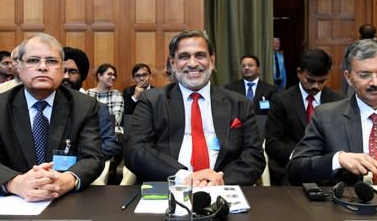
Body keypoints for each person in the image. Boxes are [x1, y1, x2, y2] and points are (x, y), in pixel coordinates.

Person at [124, 30, 265, 186]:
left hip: (223, 190)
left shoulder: (239, 103)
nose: (192, 63)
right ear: (173, 63)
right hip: (171, 189)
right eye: (184, 57)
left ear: (212, 61)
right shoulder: (152, 101)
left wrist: (220, 181)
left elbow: (254, 156)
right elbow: (136, 151)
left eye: (200, 55)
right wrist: (183, 176)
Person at [0, 33, 104, 201]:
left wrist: (65, 180)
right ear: (19, 67)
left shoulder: (84, 106)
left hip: (66, 200)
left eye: (51, 61)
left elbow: (93, 157)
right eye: (33, 60)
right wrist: (16, 183)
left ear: (61, 69)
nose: (42, 67)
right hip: (14, 201)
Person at [287, 38, 377, 185]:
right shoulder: (326, 117)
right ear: (348, 77)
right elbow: (295, 170)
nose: (375, 82)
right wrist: (339, 159)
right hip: (355, 202)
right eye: (365, 75)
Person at [265, 49, 345, 185]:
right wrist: (299, 158)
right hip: (289, 169)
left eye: (322, 81)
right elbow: (272, 142)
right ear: (299, 72)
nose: (316, 86)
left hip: (329, 171)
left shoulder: (339, 101)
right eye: (310, 80)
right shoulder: (281, 100)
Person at [62, 47, 121, 162]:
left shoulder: (97, 108)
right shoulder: (45, 104)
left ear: (82, 75)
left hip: (85, 171)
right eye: (62, 71)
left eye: (72, 72)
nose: (66, 77)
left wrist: (80, 163)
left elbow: (110, 146)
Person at [343, 23, 377, 97]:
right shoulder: (353, 50)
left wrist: (344, 93)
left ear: (360, 35)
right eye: (364, 75)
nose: (375, 83)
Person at [85, 64, 124, 134]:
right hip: (91, 131)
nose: (113, 77)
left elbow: (116, 120)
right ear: (99, 76)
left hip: (111, 132)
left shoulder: (117, 95)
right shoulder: (88, 94)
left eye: (114, 75)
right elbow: (85, 117)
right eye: (109, 74)